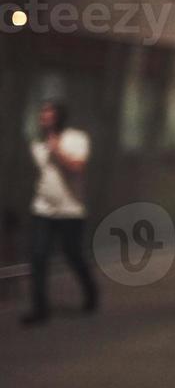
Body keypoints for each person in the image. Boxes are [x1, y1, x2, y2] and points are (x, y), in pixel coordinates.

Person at [21, 100, 100, 325]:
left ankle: (91, 292)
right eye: (42, 111)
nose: (44, 116)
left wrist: (57, 150)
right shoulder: (36, 142)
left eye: (48, 112)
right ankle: (40, 309)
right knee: (38, 256)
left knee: (72, 255)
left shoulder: (77, 138)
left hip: (71, 210)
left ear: (59, 116)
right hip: (43, 208)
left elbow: (77, 167)